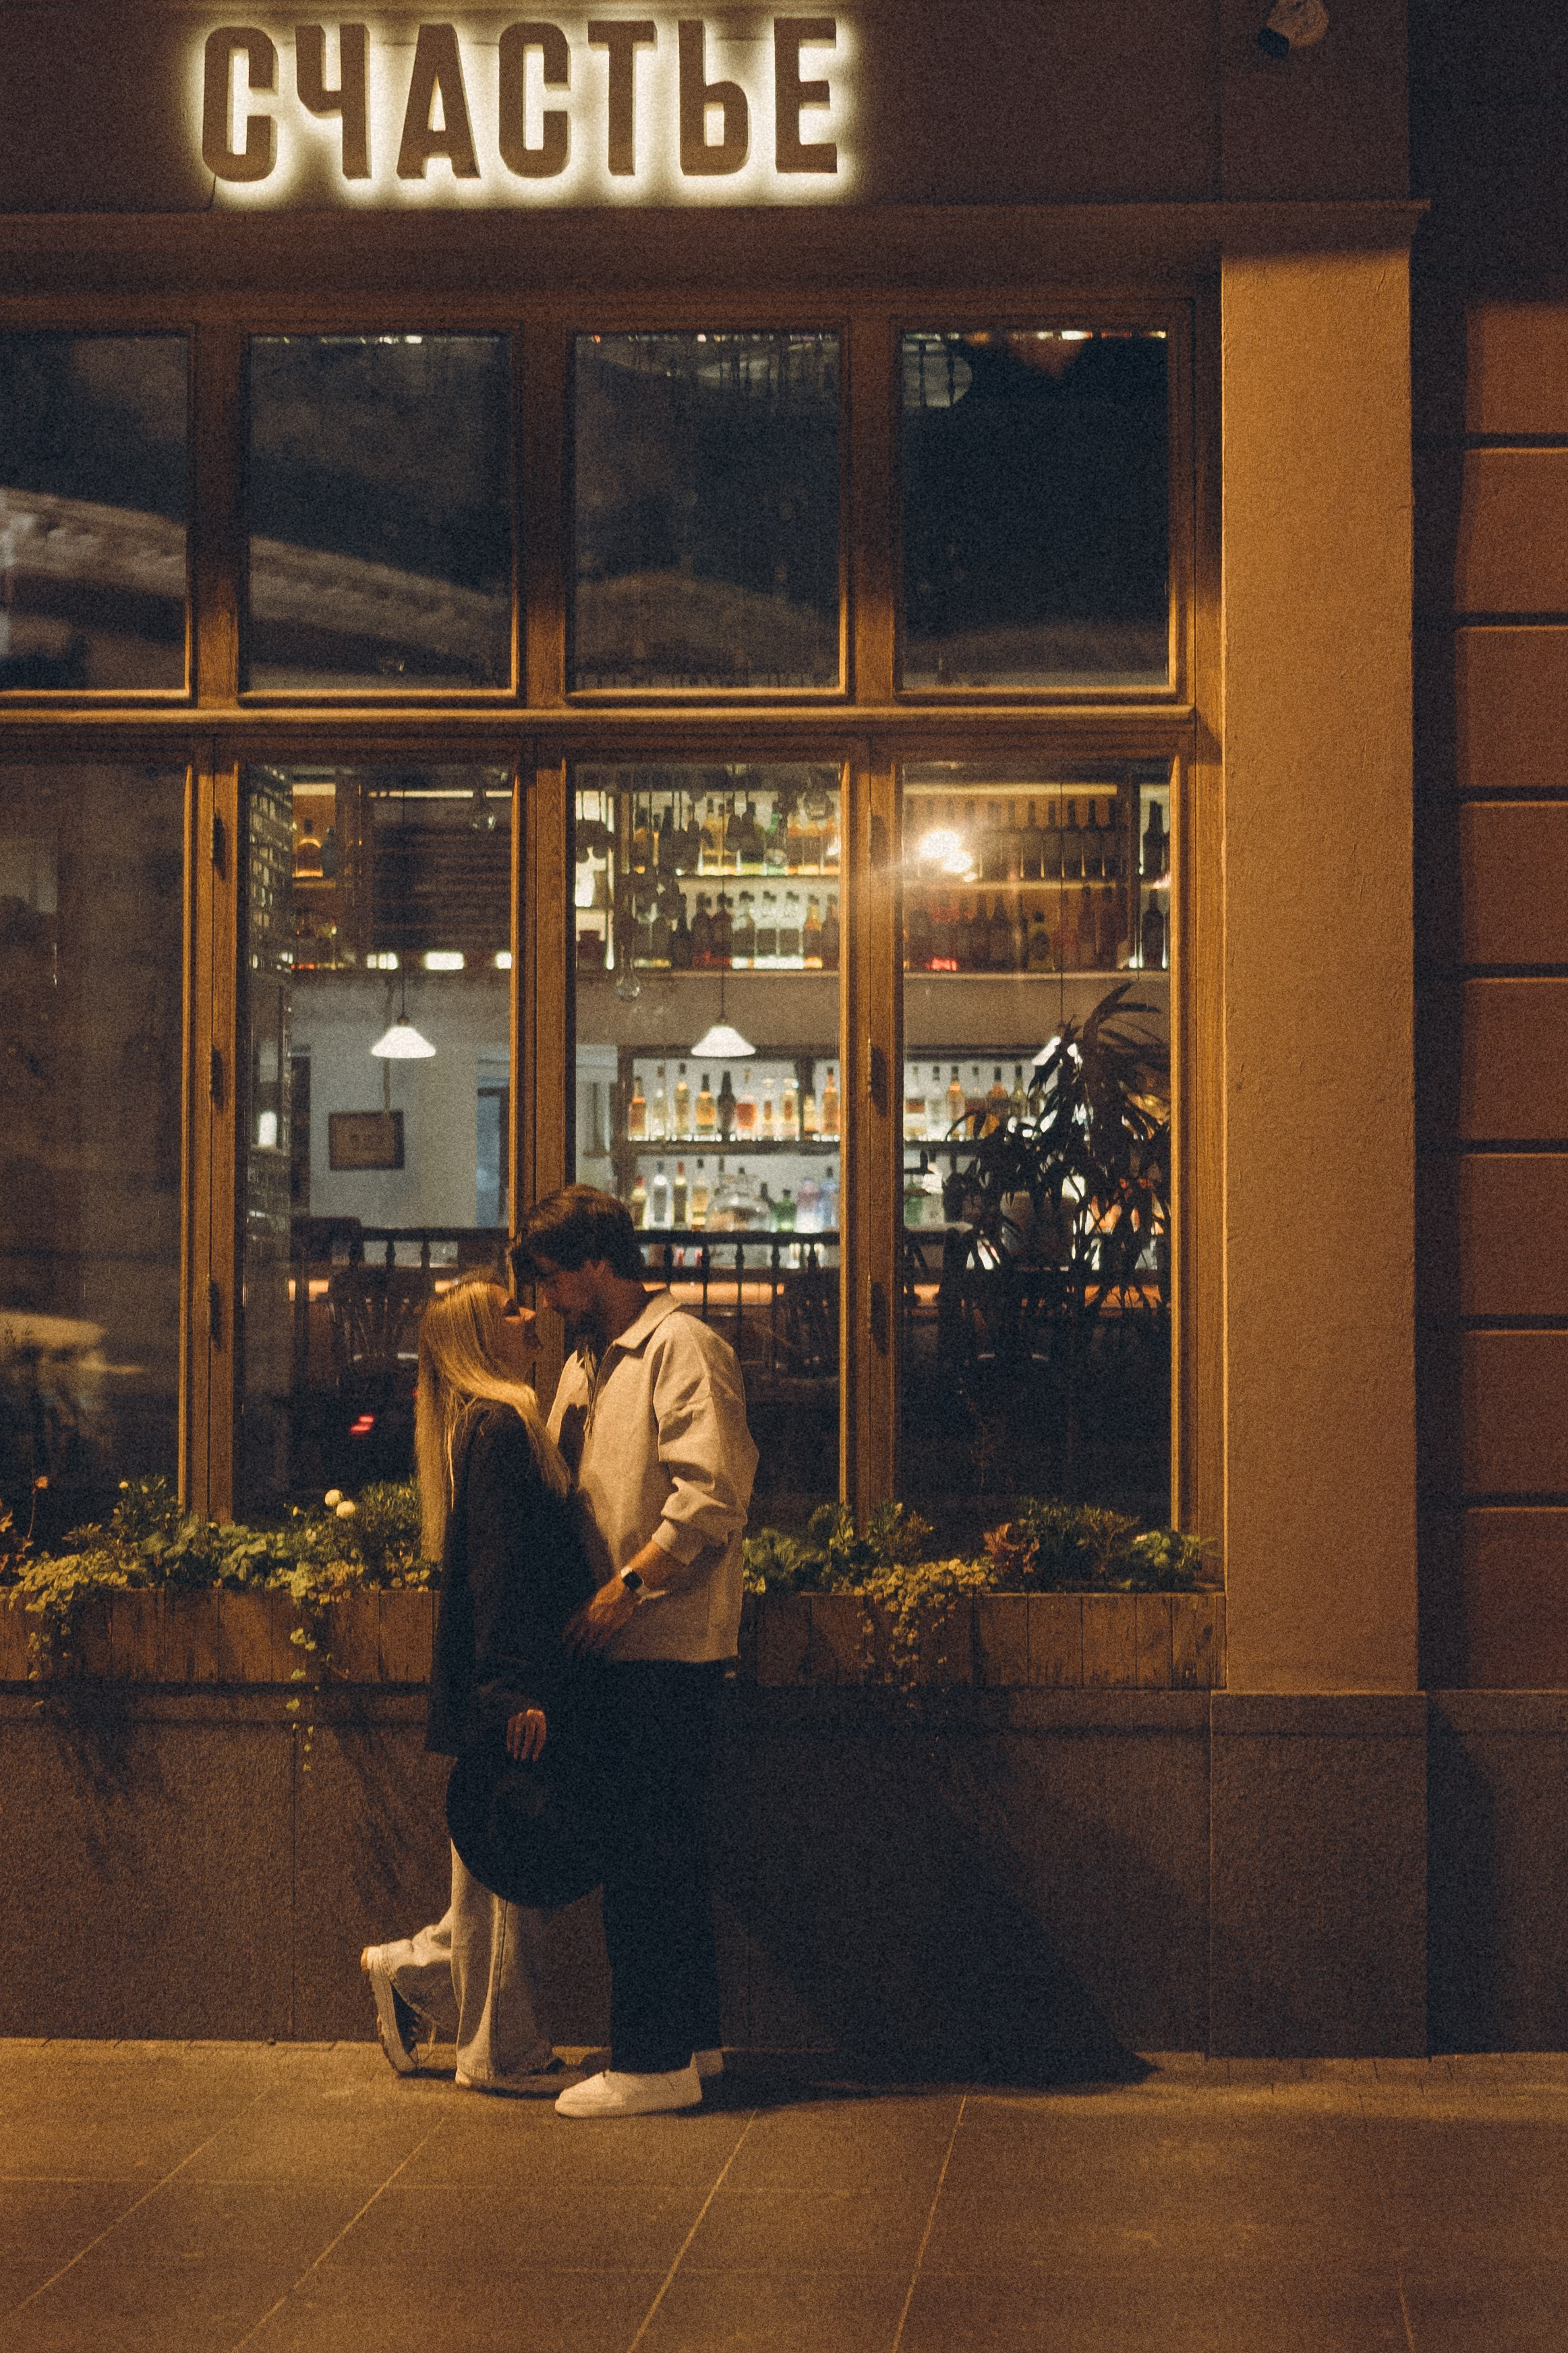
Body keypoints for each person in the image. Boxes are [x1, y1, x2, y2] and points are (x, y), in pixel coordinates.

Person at [511, 1185, 758, 2120]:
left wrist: (626, 1591)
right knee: (664, 1852)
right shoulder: (590, 1361)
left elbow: (711, 1494)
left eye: (550, 1274)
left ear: (594, 1264)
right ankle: (687, 2048)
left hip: (658, 1644)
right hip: (621, 1645)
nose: (543, 1294)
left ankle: (650, 2060)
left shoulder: (679, 1348)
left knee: (644, 1855)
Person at [360, 1276, 594, 2094]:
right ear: (479, 1339)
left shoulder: (489, 1421)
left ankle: (412, 1972)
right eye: (509, 1309)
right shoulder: (500, 1426)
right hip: (511, 1686)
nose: (529, 1314)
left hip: (503, 1681)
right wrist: (513, 1690)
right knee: (506, 1874)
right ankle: (497, 2050)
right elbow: (500, 1571)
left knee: (494, 1865)